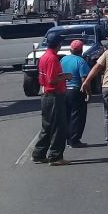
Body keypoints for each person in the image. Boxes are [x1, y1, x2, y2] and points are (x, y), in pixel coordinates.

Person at [32, 36, 70, 165]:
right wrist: (66, 76)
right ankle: (55, 157)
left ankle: (39, 154)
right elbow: (52, 79)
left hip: (46, 95)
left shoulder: (44, 57)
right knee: (58, 126)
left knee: (47, 126)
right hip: (54, 95)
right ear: (58, 44)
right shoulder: (52, 58)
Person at [61, 40, 91, 148]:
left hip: (64, 90)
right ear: (81, 50)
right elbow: (84, 80)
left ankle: (67, 139)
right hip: (76, 91)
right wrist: (88, 93)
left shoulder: (63, 59)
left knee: (67, 116)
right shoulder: (81, 61)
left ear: (70, 49)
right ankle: (74, 140)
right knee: (77, 116)